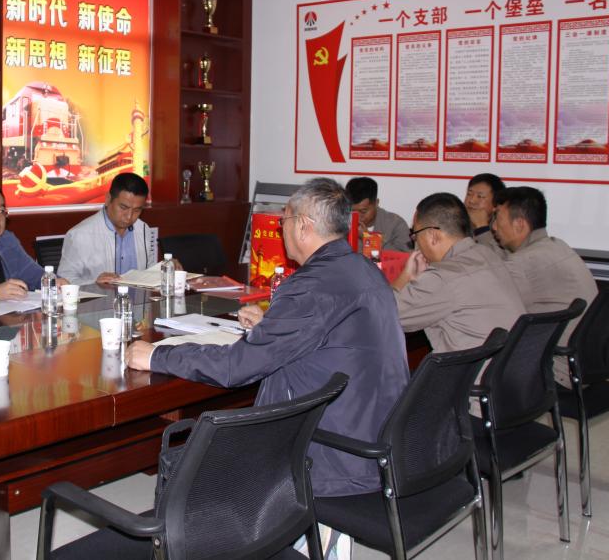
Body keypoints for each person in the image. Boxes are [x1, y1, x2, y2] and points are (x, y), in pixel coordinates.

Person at [127, 178, 409, 502]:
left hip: (330, 456)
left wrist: (157, 355)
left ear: (302, 226)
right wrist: (272, 325)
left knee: (195, 460)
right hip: (375, 442)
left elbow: (237, 367)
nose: (279, 228)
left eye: (283, 220)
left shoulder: (312, 285)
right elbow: (333, 337)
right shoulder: (363, 269)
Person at [393, 192, 524, 354]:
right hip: (510, 363)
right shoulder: (488, 255)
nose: (416, 243)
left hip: (476, 369)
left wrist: (405, 276)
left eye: (415, 235)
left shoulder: (443, 277)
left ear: (433, 236)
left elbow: (383, 315)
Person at [491, 186, 598, 385]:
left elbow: (490, 310)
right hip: (589, 360)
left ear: (519, 224)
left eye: (497, 219)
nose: (494, 227)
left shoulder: (523, 263)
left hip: (556, 369)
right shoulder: (557, 245)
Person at [58, 172, 159, 285]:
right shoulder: (79, 235)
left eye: (137, 210)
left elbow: (149, 271)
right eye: (123, 207)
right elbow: (64, 281)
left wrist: (164, 269)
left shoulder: (144, 229)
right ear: (108, 199)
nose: (129, 216)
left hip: (138, 296)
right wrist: (94, 283)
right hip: (97, 297)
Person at [345, 176, 411, 252]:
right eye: (352, 211)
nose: (358, 217)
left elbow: (405, 255)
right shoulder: (340, 223)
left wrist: (369, 238)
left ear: (376, 203)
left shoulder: (396, 224)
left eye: (363, 211)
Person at [464, 173, 505, 250]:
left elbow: (496, 257)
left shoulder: (504, 230)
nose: (472, 201)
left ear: (495, 204)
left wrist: (482, 228)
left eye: (480, 196)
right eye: (469, 194)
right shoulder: (456, 223)